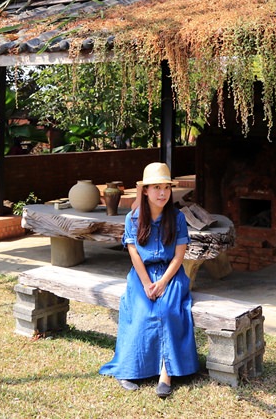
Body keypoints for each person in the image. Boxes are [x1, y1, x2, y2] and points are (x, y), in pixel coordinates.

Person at [100, 162, 199, 398]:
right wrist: (146, 283)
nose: (162, 193)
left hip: (170, 274)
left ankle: (167, 372)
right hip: (142, 274)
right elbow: (134, 253)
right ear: (145, 190)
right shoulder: (133, 218)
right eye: (156, 188)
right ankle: (130, 369)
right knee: (142, 311)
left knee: (168, 310)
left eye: (166, 187)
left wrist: (163, 282)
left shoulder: (177, 218)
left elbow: (179, 256)